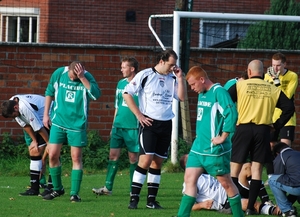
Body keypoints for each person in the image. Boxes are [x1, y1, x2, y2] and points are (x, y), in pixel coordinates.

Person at [228, 60, 295, 215]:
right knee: (257, 168)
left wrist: (232, 120)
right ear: (263, 73)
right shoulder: (272, 88)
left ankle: (230, 203)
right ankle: (250, 207)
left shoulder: (240, 85)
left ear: (249, 72)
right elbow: (289, 107)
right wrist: (277, 125)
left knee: (235, 167)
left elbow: (225, 101)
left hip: (243, 128)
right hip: (263, 130)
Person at [176, 66, 244, 217]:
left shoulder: (218, 92)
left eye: (193, 84)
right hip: (198, 147)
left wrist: (223, 137)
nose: (192, 88)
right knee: (189, 179)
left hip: (214, 150)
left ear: (202, 79)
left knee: (226, 183)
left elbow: (231, 114)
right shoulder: (203, 93)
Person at [123, 49, 185, 209]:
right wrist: (139, 115)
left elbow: (182, 97)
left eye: (175, 65)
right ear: (162, 61)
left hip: (166, 124)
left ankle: (151, 201)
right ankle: (134, 199)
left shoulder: (173, 77)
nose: (173, 67)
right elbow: (127, 93)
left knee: (157, 162)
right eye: (171, 64)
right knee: (145, 160)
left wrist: (180, 78)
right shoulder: (145, 75)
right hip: (149, 123)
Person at [42, 61, 101, 202]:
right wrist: (46, 115)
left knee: (76, 157)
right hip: (58, 122)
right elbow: (49, 92)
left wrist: (82, 78)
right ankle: (57, 189)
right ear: (68, 69)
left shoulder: (86, 77)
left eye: (76, 76)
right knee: (53, 155)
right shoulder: (59, 73)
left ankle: (74, 193)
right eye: (72, 75)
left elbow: (96, 95)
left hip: (77, 125)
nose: (73, 78)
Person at [92, 57, 139, 196]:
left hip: (133, 127)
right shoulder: (120, 84)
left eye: (124, 67)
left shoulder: (141, 84)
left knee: (133, 159)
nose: (121, 69)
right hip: (118, 126)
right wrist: (113, 126)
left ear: (132, 69)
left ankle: (133, 190)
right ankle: (107, 188)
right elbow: (117, 106)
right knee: (113, 155)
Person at [178, 154, 281, 215]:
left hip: (232, 187)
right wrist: (201, 205)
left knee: (247, 167)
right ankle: (275, 211)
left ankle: (266, 201)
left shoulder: (205, 173)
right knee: (250, 204)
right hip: (226, 202)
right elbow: (188, 205)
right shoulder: (189, 181)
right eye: (192, 158)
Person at [0, 94, 52, 196]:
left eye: (13, 116)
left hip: (51, 115)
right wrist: (34, 141)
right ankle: (34, 189)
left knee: (53, 151)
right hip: (40, 120)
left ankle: (52, 186)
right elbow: (25, 125)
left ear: (16, 108)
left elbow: (39, 128)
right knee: (34, 149)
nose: (14, 118)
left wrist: (49, 144)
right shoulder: (12, 103)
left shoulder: (24, 107)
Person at [264, 52, 298, 184]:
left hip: (287, 118)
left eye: (278, 65)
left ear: (284, 64)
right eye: (273, 65)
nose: (275, 68)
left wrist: (277, 81)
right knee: (269, 146)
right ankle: (272, 175)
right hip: (272, 116)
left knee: (284, 147)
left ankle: (286, 176)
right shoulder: (267, 76)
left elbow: (287, 97)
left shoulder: (292, 76)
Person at [268, 142, 300, 217]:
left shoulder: (281, 156)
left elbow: (279, 179)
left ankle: (288, 211)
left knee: (272, 180)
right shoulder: (297, 153)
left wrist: (281, 205)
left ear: (277, 153)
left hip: (297, 188)